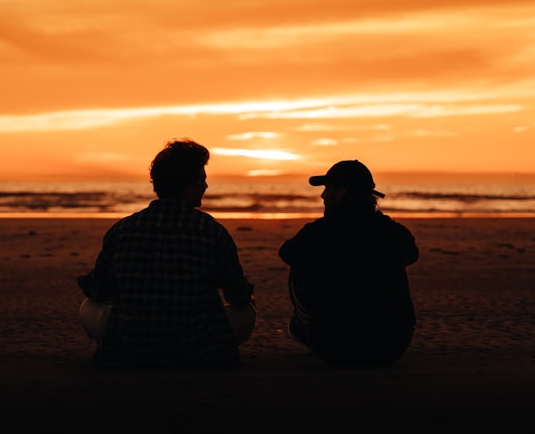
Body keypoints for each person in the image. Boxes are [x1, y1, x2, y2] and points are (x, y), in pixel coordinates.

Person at [77, 138, 256, 368]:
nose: (206, 186)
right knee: (247, 312)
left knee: (87, 306)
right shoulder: (212, 231)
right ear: (187, 185)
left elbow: (98, 290)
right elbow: (236, 295)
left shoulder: (122, 230)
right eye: (202, 179)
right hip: (198, 350)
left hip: (130, 349)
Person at [278, 159, 418, 365]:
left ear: (341, 194)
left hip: (334, 347)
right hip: (391, 347)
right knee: (393, 259)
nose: (323, 196)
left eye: (328, 189)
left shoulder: (318, 232)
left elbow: (286, 253)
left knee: (300, 262)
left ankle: (305, 324)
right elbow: (412, 255)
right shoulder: (394, 232)